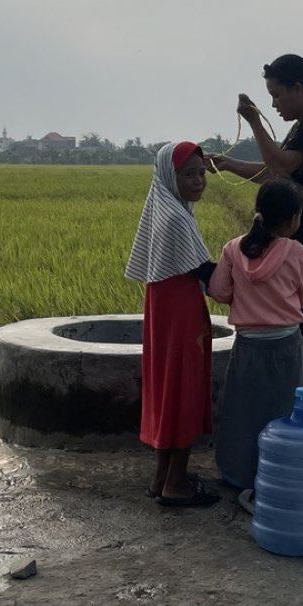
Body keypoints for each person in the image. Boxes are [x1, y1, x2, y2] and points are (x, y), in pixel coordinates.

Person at [207, 53, 303, 421]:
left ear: (298, 88)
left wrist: (253, 121)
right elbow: (274, 172)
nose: (274, 104)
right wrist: (228, 164)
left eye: (277, 95)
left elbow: (278, 167)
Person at [207, 178, 303, 491]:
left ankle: (240, 475)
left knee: (244, 414)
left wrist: (243, 296)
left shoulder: (233, 248)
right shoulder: (296, 251)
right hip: (286, 345)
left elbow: (217, 290)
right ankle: (282, 475)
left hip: (248, 346)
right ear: (292, 218)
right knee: (286, 412)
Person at [125, 141, 220, 507]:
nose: (199, 181)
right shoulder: (178, 219)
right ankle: (177, 483)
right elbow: (206, 273)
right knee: (183, 387)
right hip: (181, 314)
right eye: (188, 174)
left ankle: (162, 476)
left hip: (163, 311)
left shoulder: (163, 207)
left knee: (166, 386)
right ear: (170, 175)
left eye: (201, 173)